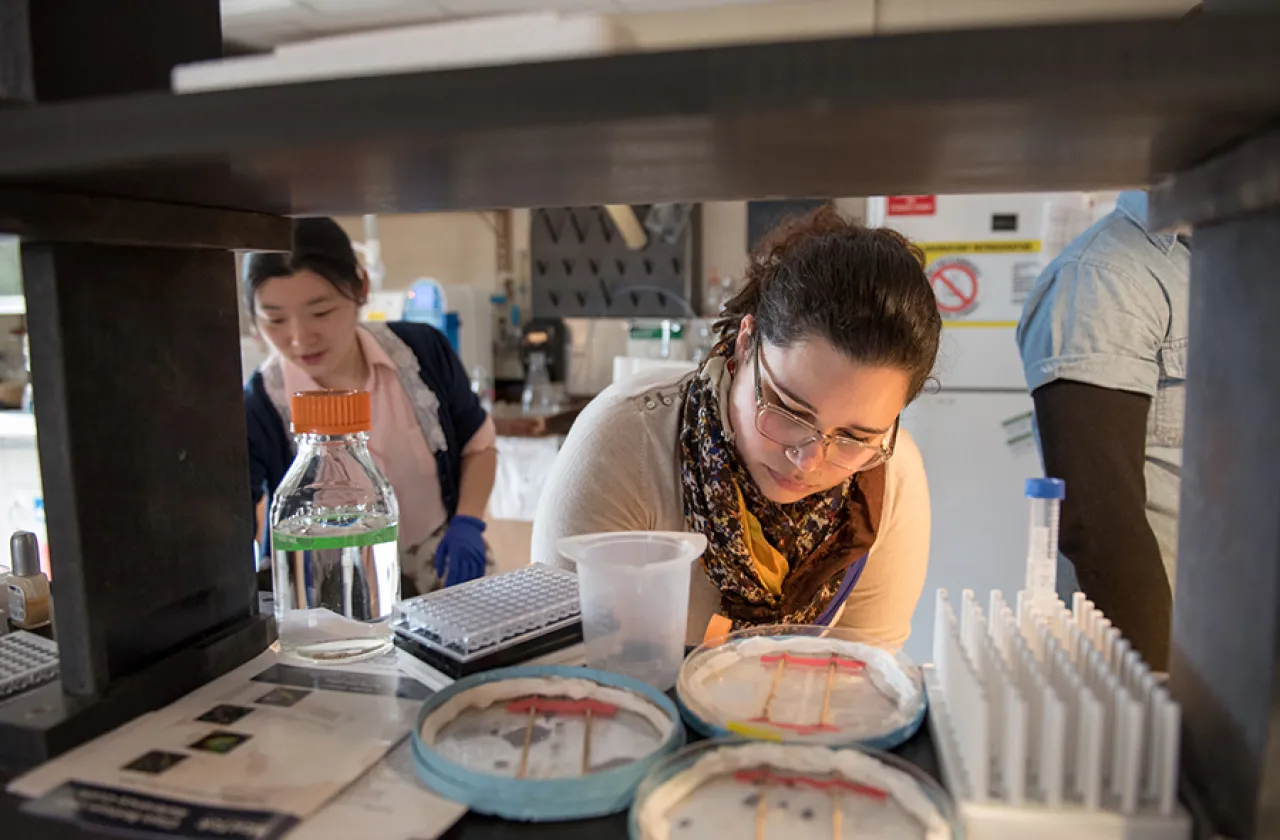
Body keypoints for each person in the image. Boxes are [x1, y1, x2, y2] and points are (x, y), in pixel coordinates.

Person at [532, 206, 941, 648]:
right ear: (746, 344)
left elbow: (860, 672)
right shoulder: (626, 444)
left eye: (854, 437)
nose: (808, 460)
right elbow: (563, 660)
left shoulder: (887, 481)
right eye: (788, 410)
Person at [243, 217, 497, 593]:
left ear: (360, 287)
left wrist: (468, 524)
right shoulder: (262, 404)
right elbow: (230, 522)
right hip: (334, 588)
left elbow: (479, 446)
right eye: (275, 319)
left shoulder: (419, 353)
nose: (299, 339)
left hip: (441, 561)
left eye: (321, 312)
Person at [1016, 190, 1188, 670]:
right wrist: (1156, 699)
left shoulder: (1245, 261)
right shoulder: (1102, 276)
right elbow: (1099, 526)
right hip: (1153, 655)